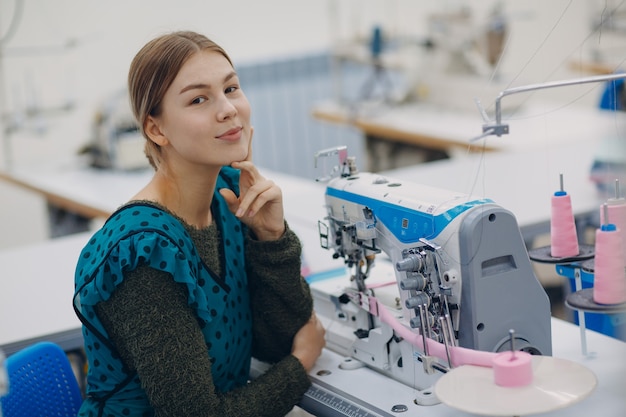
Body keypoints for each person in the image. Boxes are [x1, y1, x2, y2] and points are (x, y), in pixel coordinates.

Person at [73, 30, 326, 417]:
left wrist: (271, 238)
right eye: (198, 99)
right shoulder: (143, 252)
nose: (228, 109)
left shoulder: (229, 197)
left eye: (231, 88)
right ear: (156, 129)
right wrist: (301, 363)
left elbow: (276, 341)